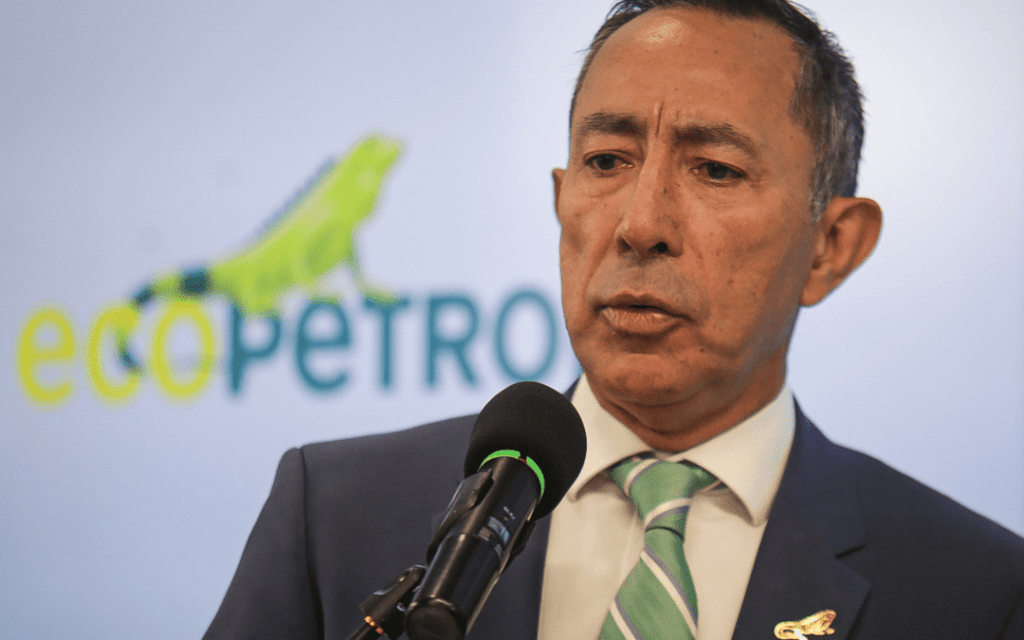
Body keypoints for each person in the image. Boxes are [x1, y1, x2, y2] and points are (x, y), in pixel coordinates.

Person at [203, 1, 1024, 639]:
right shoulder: (336, 515)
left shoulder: (973, 589)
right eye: (606, 161)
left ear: (831, 247)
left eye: (715, 168)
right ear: (561, 200)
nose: (640, 223)